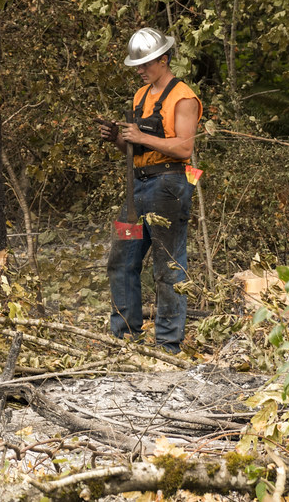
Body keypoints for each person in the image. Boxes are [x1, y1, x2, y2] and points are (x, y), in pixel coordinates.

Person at [98, 28, 202, 353]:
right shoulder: (140, 97)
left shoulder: (183, 98)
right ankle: (126, 338)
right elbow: (133, 149)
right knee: (121, 259)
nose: (140, 70)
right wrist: (116, 137)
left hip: (168, 187)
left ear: (163, 59)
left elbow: (185, 149)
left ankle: (168, 344)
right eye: (137, 65)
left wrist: (141, 137)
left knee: (167, 265)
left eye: (145, 64)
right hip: (136, 187)